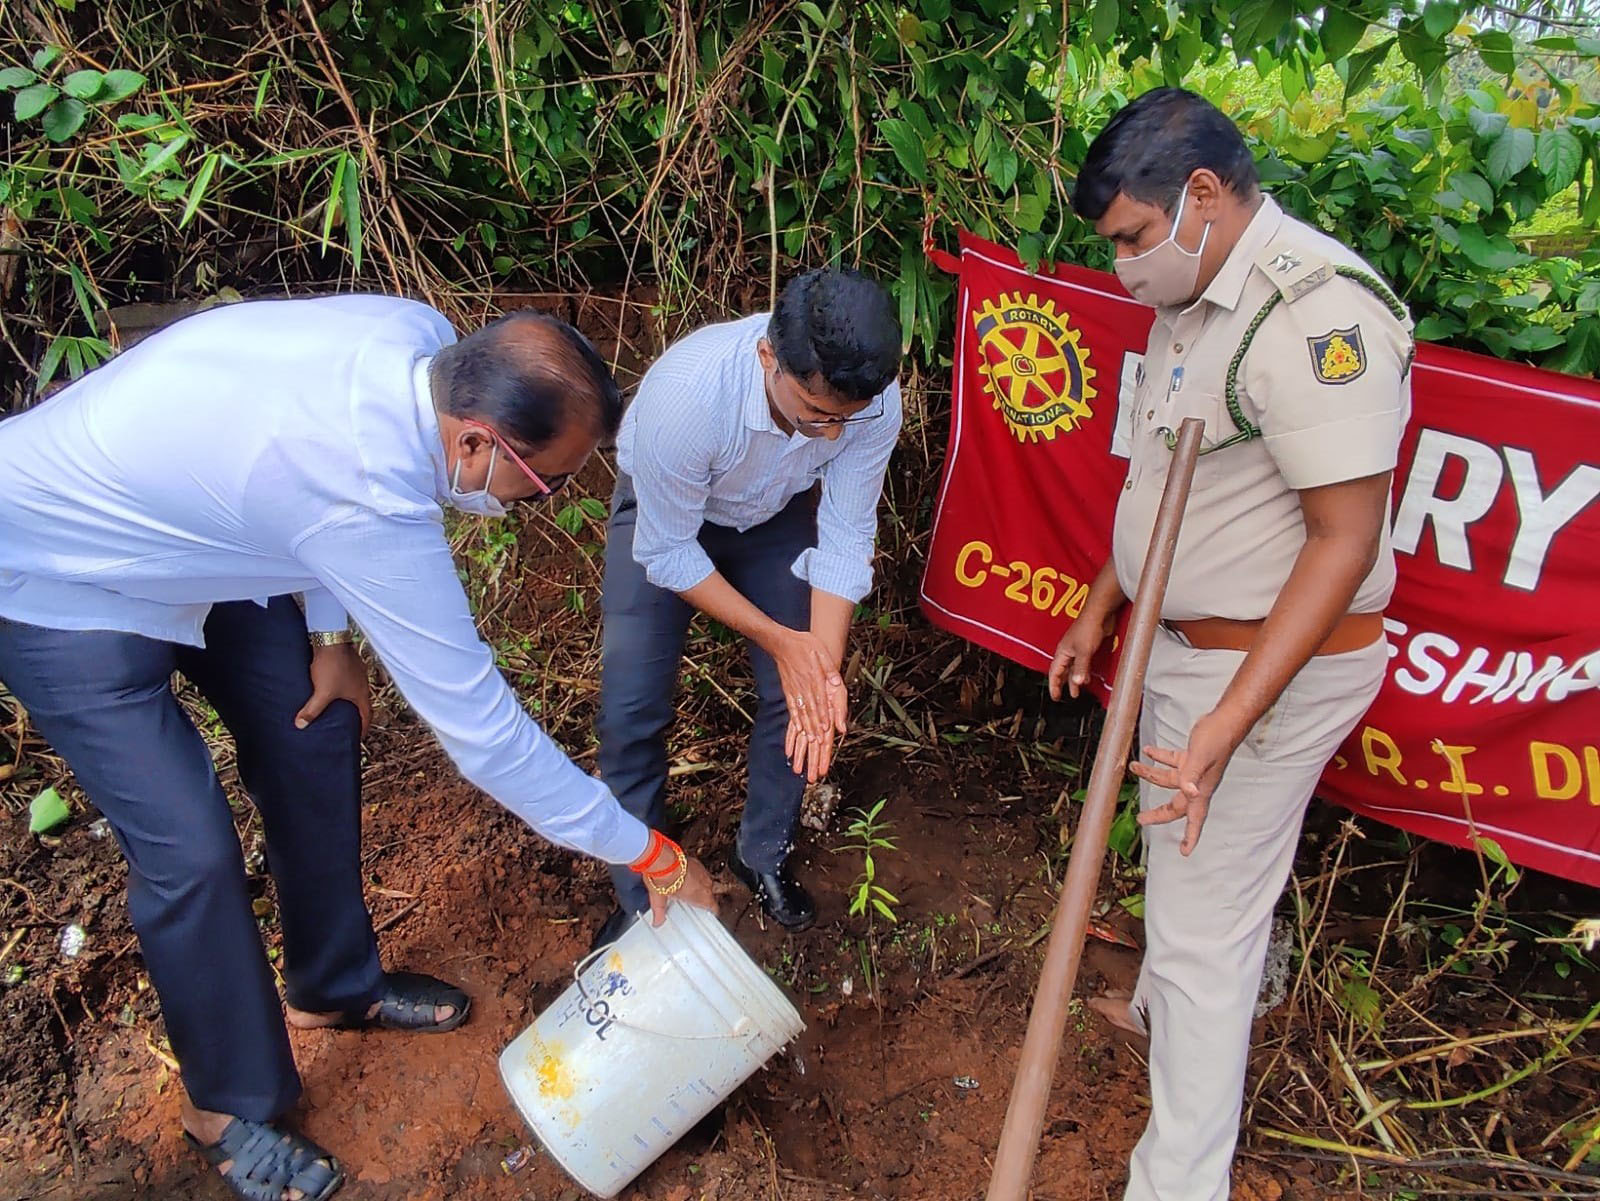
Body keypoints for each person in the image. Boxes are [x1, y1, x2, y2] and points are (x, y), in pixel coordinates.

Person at [0, 296, 716, 1201]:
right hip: (56, 574)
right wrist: (652, 853)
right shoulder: (364, 496)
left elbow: (307, 496)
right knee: (190, 848)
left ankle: (333, 985)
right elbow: (488, 738)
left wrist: (330, 636)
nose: (543, 504)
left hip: (211, 539)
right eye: (546, 485)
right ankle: (224, 1106)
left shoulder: (423, 343)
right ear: (474, 442)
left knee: (316, 729)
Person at [1048, 89, 1412, 1201]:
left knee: (1206, 930)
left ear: (1202, 194)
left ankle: (1179, 1182)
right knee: (1186, 889)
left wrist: (1227, 717)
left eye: (1131, 238)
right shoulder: (1195, 293)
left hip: (1263, 676)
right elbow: (1167, 485)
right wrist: (1101, 603)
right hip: (1190, 653)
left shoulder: (1314, 315)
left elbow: (1343, 542)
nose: (1120, 267)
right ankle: (1165, 1016)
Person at [594, 268, 902, 942]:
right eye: (816, 413)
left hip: (773, 514)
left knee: (800, 699)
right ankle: (642, 891)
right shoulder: (688, 399)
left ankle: (762, 851)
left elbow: (846, 533)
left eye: (845, 420)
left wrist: (818, 670)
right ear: (769, 357)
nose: (831, 436)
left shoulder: (873, 401)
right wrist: (782, 640)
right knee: (630, 709)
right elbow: (668, 553)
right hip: (667, 519)